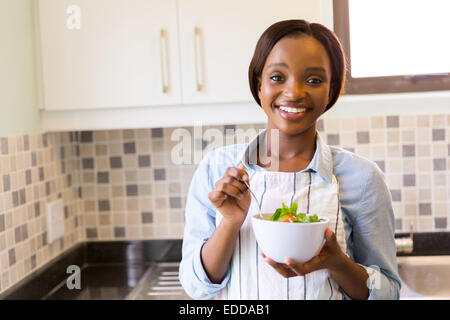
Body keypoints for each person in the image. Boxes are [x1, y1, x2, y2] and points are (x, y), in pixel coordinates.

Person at [179, 19, 400, 300]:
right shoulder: (216, 170)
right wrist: (230, 223)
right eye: (277, 77)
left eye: (314, 80)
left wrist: (336, 262)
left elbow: (389, 293)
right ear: (258, 85)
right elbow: (196, 286)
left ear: (331, 90)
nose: (294, 92)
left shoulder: (363, 177)